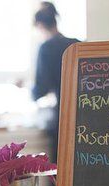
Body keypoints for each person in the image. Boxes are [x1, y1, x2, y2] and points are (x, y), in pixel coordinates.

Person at [32, 2, 79, 165]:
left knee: (60, 170)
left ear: (40, 25)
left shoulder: (46, 48)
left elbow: (41, 88)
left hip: (61, 119)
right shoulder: (76, 44)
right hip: (85, 116)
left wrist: (29, 90)